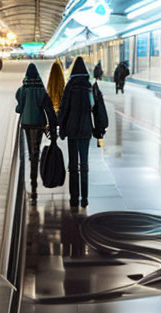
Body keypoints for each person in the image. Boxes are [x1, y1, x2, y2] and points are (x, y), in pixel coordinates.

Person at [15, 62, 57, 204]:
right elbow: (49, 109)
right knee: (35, 151)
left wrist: (22, 106)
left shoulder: (22, 90)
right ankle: (34, 184)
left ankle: (32, 183)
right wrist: (54, 126)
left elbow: (19, 108)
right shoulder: (41, 90)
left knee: (31, 151)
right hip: (39, 124)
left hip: (27, 124)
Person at [58, 56, 95, 209]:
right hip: (86, 130)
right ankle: (85, 198)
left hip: (72, 130)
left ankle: (74, 198)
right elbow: (94, 107)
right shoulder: (89, 87)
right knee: (84, 164)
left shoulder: (69, 87)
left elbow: (64, 109)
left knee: (73, 165)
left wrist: (61, 127)